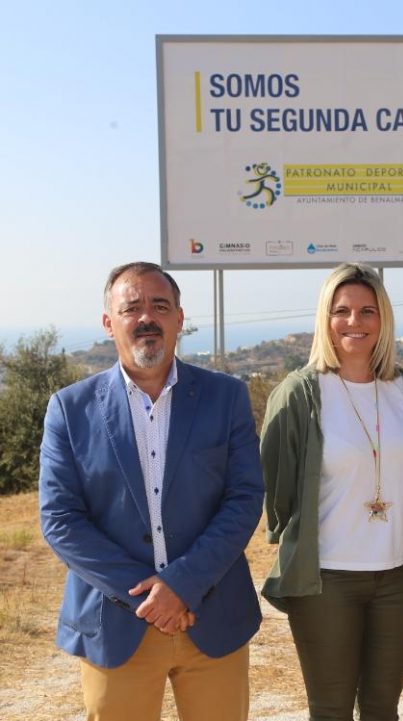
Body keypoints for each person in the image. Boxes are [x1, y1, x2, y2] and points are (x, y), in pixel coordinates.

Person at [39, 261, 264, 721]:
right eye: (132, 307)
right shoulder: (69, 409)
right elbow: (60, 519)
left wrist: (182, 585)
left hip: (212, 618)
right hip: (116, 622)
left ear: (179, 319)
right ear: (108, 323)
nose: (147, 317)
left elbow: (243, 499)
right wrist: (152, 598)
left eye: (160, 306)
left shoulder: (226, 398)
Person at [260, 262, 403, 721]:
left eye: (367, 311)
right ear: (326, 319)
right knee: (331, 709)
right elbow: (277, 492)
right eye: (342, 311)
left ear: (384, 319)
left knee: (383, 707)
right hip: (326, 580)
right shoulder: (300, 393)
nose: (355, 322)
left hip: (400, 574)